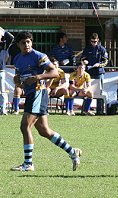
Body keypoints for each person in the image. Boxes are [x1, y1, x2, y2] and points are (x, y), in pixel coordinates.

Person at [10, 31, 81, 171]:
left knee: (25, 126)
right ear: (18, 45)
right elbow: (18, 77)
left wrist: (37, 77)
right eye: (23, 42)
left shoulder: (38, 56)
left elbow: (54, 72)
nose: (27, 45)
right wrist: (17, 80)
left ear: (32, 42)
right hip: (32, 94)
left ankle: (28, 164)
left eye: (29, 41)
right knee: (44, 130)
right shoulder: (17, 59)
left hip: (38, 92)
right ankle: (73, 152)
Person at [81, 33, 108, 115]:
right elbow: (82, 58)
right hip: (89, 72)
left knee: (99, 91)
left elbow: (106, 61)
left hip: (98, 72)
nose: (94, 43)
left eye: (95, 41)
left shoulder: (102, 49)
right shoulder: (87, 48)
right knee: (87, 90)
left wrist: (99, 64)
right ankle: (85, 110)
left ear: (98, 40)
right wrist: (84, 61)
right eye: (92, 41)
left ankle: (99, 110)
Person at [0, 31, 10, 115]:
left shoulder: (3, 46)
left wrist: (2, 30)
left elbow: (11, 37)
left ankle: (2, 109)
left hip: (1, 71)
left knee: (2, 91)